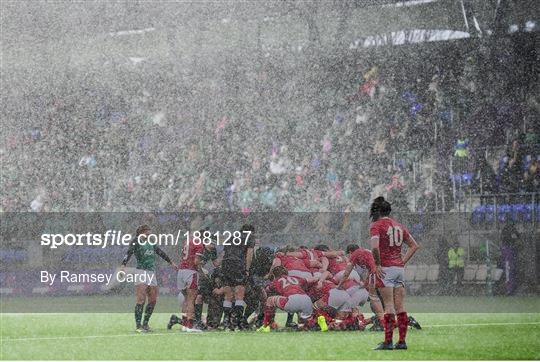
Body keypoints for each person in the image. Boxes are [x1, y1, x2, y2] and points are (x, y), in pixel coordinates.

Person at [369, 197, 419, 350]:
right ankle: (402, 342)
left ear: (377, 211)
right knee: (400, 306)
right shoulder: (399, 226)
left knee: (389, 306)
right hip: (399, 269)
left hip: (386, 269)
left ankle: (388, 342)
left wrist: (377, 264)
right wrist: (402, 261)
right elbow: (414, 246)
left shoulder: (376, 226)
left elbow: (375, 247)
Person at [121, 224, 176, 333]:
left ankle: (145, 324)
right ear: (142, 232)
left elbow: (160, 252)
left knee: (153, 300)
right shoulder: (136, 241)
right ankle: (138, 326)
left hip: (151, 273)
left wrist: (171, 262)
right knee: (141, 299)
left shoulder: (151, 242)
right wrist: (123, 265)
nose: (150, 233)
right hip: (141, 271)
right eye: (148, 232)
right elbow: (129, 252)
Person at [221, 224, 255, 330]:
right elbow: (249, 254)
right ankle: (239, 322)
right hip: (238, 264)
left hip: (226, 264)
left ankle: (226, 321)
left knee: (228, 295)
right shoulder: (249, 237)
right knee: (239, 293)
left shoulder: (232, 236)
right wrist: (247, 269)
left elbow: (224, 253)